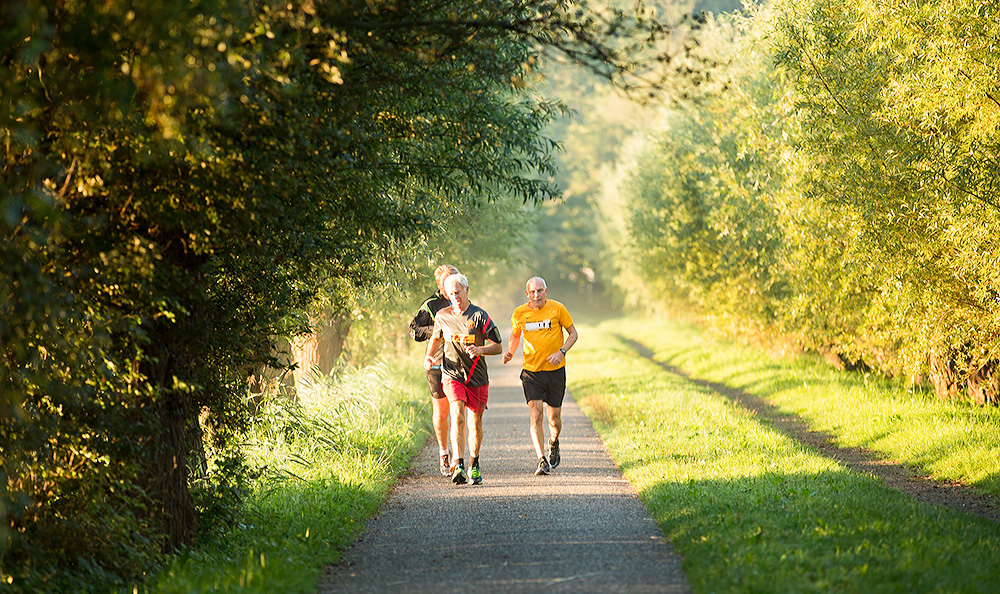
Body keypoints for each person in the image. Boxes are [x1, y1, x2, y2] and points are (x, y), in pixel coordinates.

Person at [424, 273, 502, 485]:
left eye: (458, 292)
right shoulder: (441, 316)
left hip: (476, 377)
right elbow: (436, 338)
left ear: (467, 290)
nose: (455, 296)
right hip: (452, 373)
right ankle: (458, 463)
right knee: (456, 413)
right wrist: (429, 357)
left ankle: (474, 463)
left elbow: (498, 346)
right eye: (451, 293)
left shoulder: (480, 316)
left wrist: (480, 349)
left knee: (474, 423)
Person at [503, 276, 578, 476]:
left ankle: (554, 442)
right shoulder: (519, 313)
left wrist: (561, 352)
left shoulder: (557, 309)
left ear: (546, 291)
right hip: (531, 372)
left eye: (540, 290)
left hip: (555, 372)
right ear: (527, 294)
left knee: (554, 420)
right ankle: (541, 459)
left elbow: (573, 334)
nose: (536, 295)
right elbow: (515, 335)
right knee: (536, 414)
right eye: (532, 292)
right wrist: (510, 352)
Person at [409, 264, 461, 476]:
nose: (452, 285)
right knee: (441, 414)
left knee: (457, 411)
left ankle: (459, 458)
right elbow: (414, 331)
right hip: (437, 363)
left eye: (455, 279)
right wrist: (438, 330)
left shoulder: (462, 301)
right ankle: (443, 453)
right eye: (447, 281)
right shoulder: (431, 305)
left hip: (458, 363)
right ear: (440, 284)